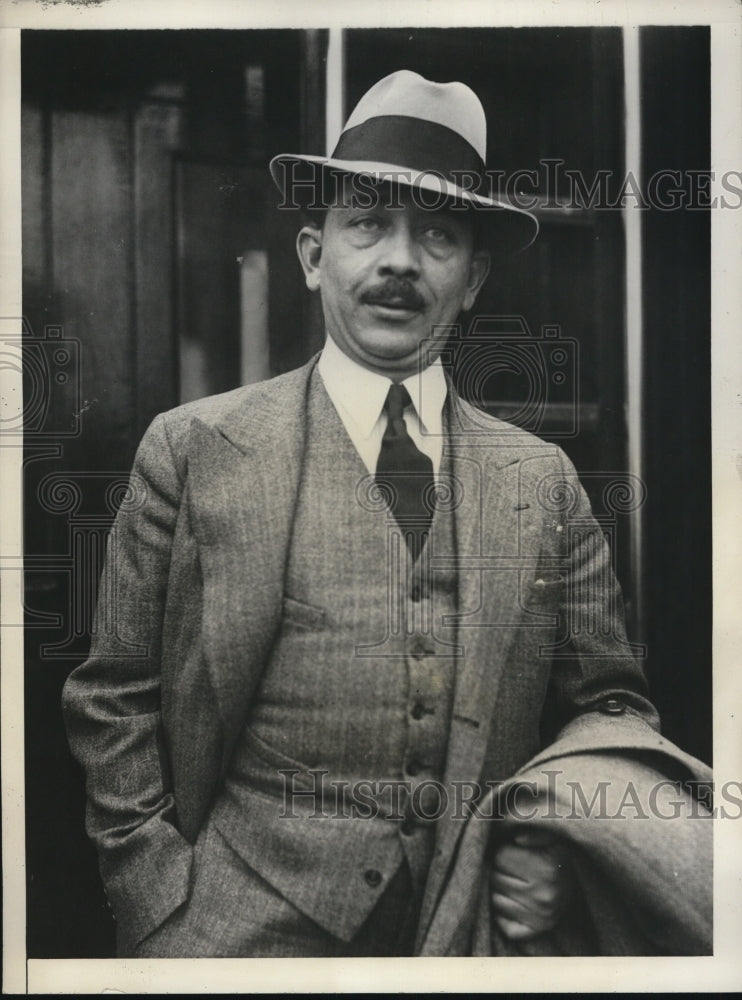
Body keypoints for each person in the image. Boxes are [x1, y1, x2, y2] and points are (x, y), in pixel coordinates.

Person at [62, 70, 661, 958]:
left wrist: (550, 836)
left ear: (474, 279)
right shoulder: (192, 451)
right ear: (313, 255)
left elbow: (612, 704)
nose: (400, 262)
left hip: (465, 936)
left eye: (439, 236)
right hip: (232, 930)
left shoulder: (544, 480)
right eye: (368, 223)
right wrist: (158, 900)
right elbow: (113, 699)